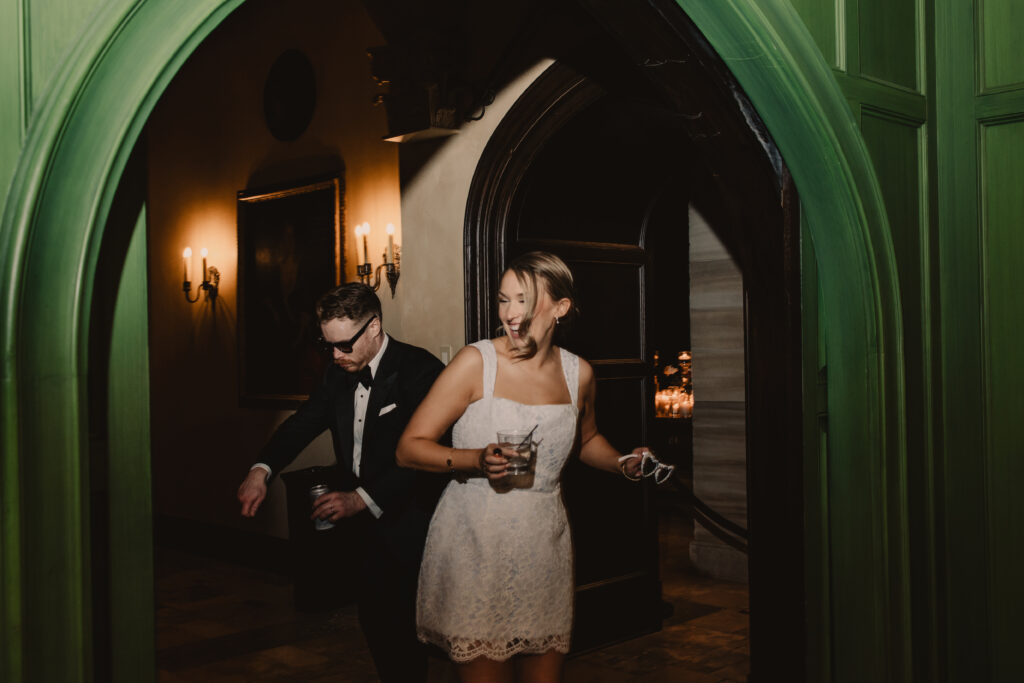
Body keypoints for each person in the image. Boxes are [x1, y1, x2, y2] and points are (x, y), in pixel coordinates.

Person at [396, 251, 646, 683]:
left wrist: (623, 463)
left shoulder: (579, 374)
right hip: (475, 541)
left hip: (542, 544)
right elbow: (408, 449)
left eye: (523, 301)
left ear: (560, 308)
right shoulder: (476, 363)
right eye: (503, 299)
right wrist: (475, 459)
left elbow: (586, 441)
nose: (509, 314)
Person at [237, 282, 446, 683]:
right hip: (362, 528)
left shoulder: (419, 371)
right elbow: (302, 425)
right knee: (375, 621)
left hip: (411, 520)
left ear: (374, 327)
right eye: (327, 344)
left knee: (403, 629)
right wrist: (261, 469)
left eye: (344, 344)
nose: (334, 355)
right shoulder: (337, 374)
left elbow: (427, 455)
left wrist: (361, 498)